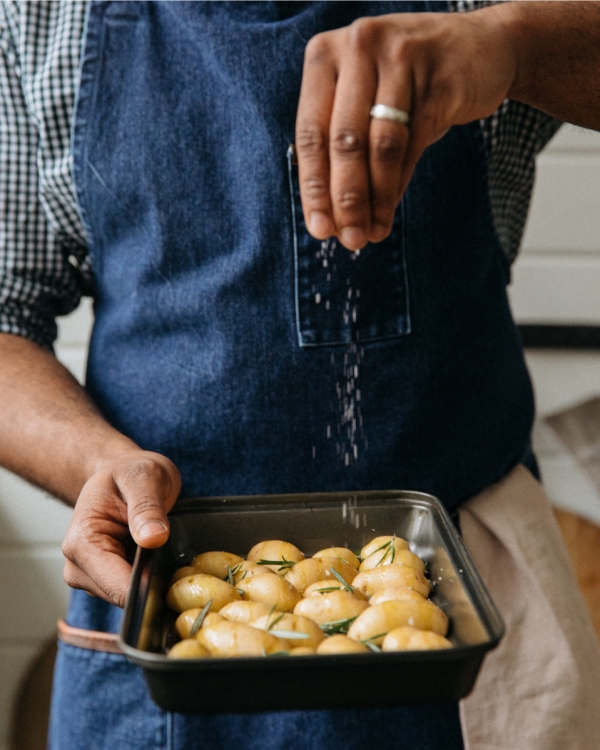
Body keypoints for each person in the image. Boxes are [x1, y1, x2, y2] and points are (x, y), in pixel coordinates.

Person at [1, 1, 600, 748]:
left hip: (460, 629)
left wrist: (514, 47)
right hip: (157, 611)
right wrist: (99, 464)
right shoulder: (41, 14)